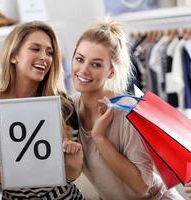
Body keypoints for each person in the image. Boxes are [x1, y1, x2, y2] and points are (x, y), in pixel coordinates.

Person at [70, 18, 184, 199]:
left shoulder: (126, 111)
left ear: (111, 72)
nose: (83, 70)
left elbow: (142, 188)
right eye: (80, 59)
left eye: (96, 64)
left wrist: (99, 137)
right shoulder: (70, 107)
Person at [0, 21, 84, 199]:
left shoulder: (63, 105)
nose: (45, 57)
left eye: (50, 52)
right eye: (35, 49)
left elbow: (71, 175)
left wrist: (73, 164)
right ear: (13, 56)